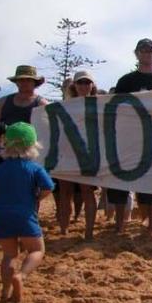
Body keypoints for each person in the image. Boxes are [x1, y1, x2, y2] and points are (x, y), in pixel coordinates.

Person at [108, 38, 152, 235]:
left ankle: (151, 226)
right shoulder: (125, 81)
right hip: (128, 138)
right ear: (136, 53)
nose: (146, 53)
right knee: (120, 184)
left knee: (151, 183)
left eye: (150, 50)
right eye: (143, 50)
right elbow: (114, 109)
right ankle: (120, 226)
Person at [0, 122, 54, 302]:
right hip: (25, 215)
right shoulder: (33, 168)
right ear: (33, 145)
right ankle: (22, 276)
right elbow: (48, 188)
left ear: (5, 144)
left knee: (9, 255)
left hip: (2, 216)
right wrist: (37, 198)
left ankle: (5, 291)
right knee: (37, 250)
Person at [56, 71, 99, 240]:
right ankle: (63, 229)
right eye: (80, 82)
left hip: (88, 153)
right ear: (74, 85)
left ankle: (89, 231)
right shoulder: (64, 106)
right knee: (65, 192)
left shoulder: (99, 105)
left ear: (92, 85)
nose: (84, 85)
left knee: (87, 191)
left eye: (87, 82)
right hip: (66, 152)